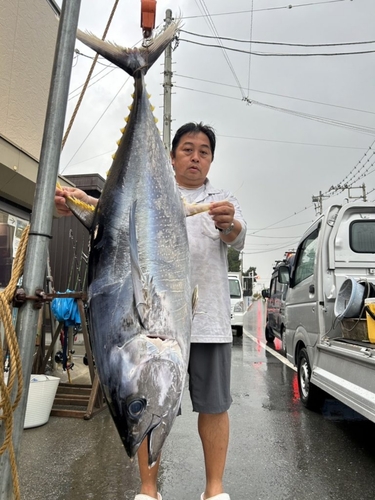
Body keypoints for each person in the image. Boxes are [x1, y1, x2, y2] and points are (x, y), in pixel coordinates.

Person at [55, 122, 247, 500]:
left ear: (210, 160)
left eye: (203, 151)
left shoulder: (222, 198)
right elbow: (116, 209)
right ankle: (147, 490)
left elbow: (236, 233)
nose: (195, 156)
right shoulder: (150, 189)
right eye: (187, 149)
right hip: (156, 326)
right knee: (146, 398)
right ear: (171, 156)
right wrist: (79, 200)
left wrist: (230, 224)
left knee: (214, 407)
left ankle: (215, 490)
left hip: (207, 322)